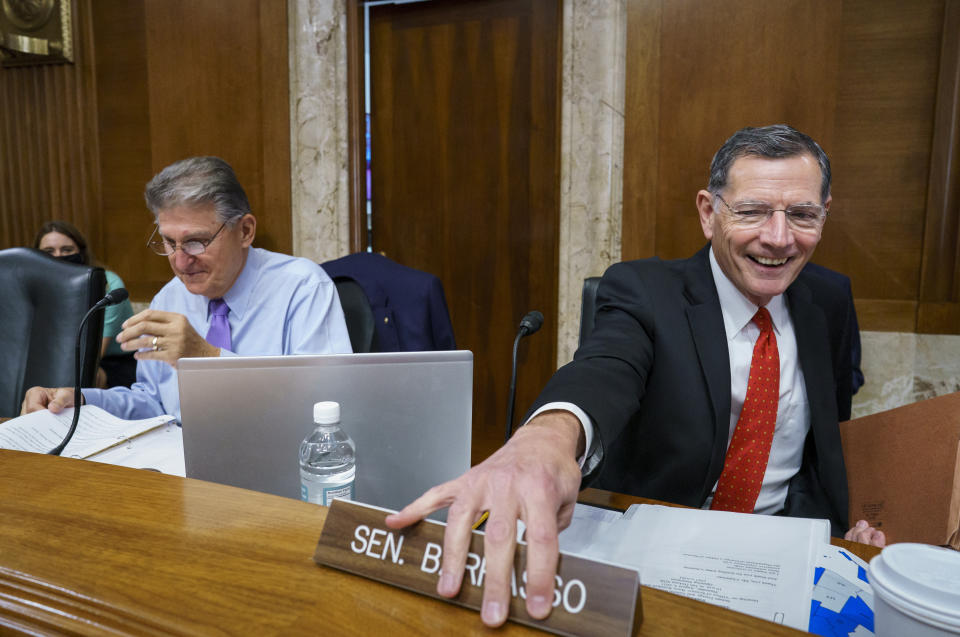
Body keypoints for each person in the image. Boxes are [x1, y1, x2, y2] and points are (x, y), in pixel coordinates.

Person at [385, 125, 885, 628]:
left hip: (782, 554)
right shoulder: (645, 292)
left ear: (824, 216)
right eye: (751, 211)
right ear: (709, 213)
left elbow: (825, 436)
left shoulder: (829, 300)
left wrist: (834, 541)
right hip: (662, 558)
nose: (778, 239)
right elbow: (605, 369)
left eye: (801, 215)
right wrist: (546, 439)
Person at [22, 156, 353, 422]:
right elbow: (151, 403)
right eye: (169, 242)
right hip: (179, 473)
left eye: (196, 242)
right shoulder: (169, 297)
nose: (180, 263)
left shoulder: (303, 287)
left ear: (245, 231)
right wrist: (78, 400)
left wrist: (205, 357)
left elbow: (329, 407)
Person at [34, 220, 137, 388]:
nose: (58, 256)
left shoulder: (109, 285)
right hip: (58, 358)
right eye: (49, 251)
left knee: (87, 377)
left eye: (67, 250)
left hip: (112, 362)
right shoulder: (35, 289)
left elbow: (93, 356)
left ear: (81, 252)